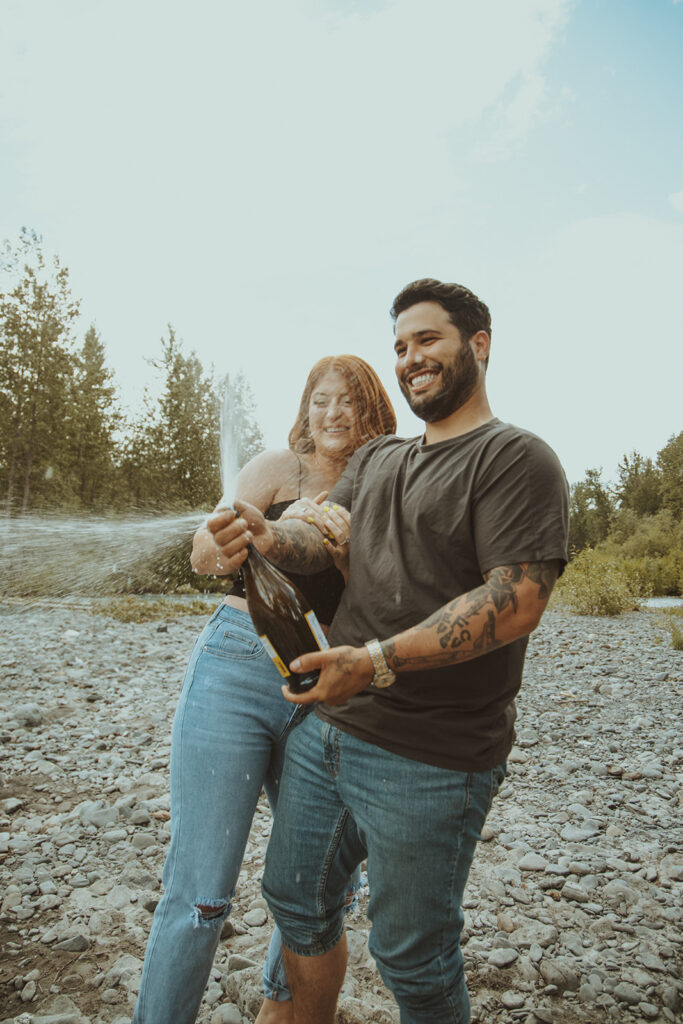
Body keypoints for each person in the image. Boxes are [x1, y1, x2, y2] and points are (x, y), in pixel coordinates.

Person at [209, 278, 570, 1024]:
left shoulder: (516, 459)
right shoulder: (380, 460)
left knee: (411, 952)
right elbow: (323, 536)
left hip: (433, 756)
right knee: (295, 900)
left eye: (426, 339)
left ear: (479, 345)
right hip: (331, 736)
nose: (409, 358)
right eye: (400, 346)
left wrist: (373, 662)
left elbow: (515, 601)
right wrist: (268, 536)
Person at [132, 355, 396, 1024]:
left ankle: (280, 1010)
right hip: (237, 667)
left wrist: (339, 548)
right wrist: (220, 542)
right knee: (201, 889)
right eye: (319, 400)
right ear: (304, 411)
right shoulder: (279, 468)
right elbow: (203, 550)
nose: (331, 413)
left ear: (374, 411)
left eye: (347, 401)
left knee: (318, 881)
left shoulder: (388, 486)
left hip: (326, 687)